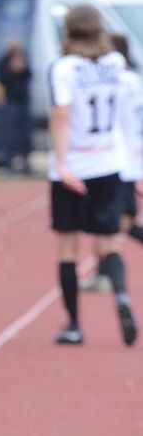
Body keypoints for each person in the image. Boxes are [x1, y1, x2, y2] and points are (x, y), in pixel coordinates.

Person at [48, 4, 137, 347]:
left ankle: (74, 324)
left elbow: (61, 113)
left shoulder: (64, 67)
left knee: (67, 247)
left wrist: (61, 163)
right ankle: (122, 297)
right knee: (110, 241)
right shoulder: (115, 63)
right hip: (108, 163)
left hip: (75, 166)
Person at [83, 33, 143, 292]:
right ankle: (102, 272)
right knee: (109, 220)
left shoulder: (113, 81)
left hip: (115, 159)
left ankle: (106, 273)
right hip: (131, 157)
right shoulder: (136, 81)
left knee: (115, 222)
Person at [0, 40, 32, 173]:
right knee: (10, 135)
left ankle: (26, 164)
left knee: (25, 136)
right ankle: (9, 165)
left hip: (24, 102)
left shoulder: (24, 59)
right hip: (11, 101)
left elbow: (29, 76)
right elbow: (1, 79)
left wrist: (22, 68)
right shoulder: (3, 61)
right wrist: (12, 69)